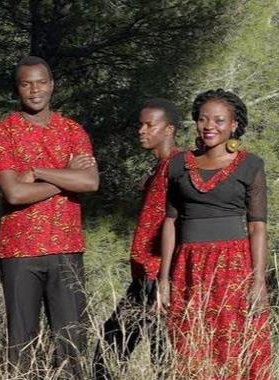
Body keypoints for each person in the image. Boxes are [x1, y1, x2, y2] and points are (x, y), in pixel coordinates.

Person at [0, 56, 99, 379]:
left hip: (66, 247)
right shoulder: (3, 133)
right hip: (20, 250)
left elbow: (90, 182)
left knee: (72, 344)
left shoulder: (72, 131)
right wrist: (64, 179)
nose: (34, 90)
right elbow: (15, 194)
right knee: (21, 346)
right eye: (26, 83)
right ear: (17, 88)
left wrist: (36, 172)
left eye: (40, 82)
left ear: (51, 85)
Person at [156, 89, 271, 379]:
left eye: (219, 120)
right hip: (188, 267)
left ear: (234, 125)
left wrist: (258, 280)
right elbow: (170, 222)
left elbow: (257, 226)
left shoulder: (250, 165)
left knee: (232, 346)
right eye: (203, 119)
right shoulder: (177, 164)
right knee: (190, 345)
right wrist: (164, 279)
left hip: (232, 267)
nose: (210, 126)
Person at [93, 98, 181, 379]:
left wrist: (165, 278)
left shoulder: (178, 165)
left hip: (160, 278)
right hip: (143, 276)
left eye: (149, 125)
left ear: (168, 129)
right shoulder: (159, 168)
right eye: (140, 125)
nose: (141, 131)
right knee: (110, 348)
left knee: (162, 357)